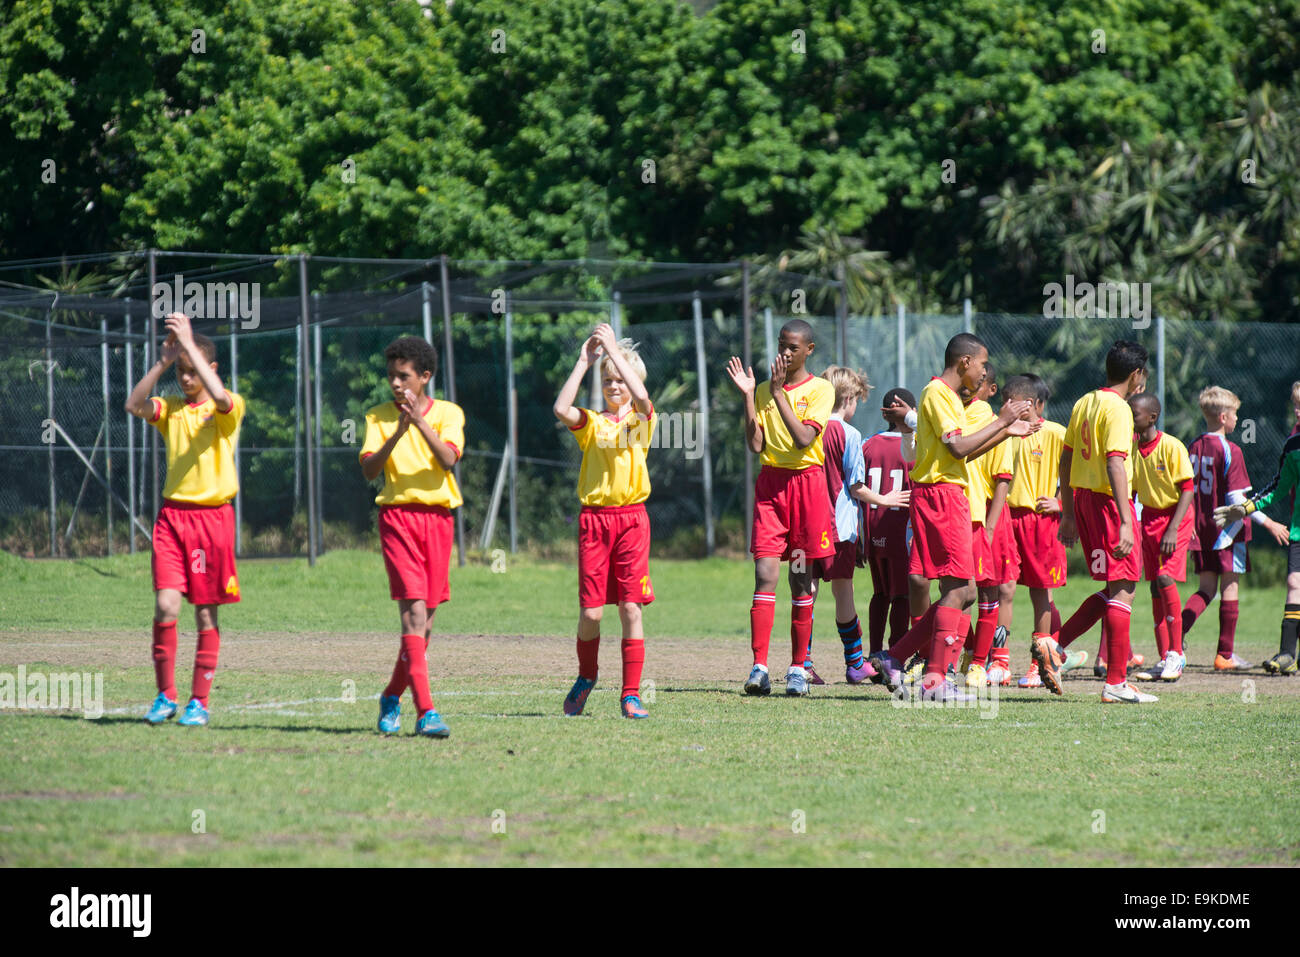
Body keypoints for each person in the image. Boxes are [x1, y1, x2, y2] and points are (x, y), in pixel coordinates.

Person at [868, 333, 1035, 701]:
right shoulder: (939, 394)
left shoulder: (946, 397)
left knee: (964, 591)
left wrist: (1006, 430)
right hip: (942, 498)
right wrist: (1002, 420)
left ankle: (895, 658)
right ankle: (934, 679)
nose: (983, 372)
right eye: (980, 364)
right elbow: (957, 446)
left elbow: (962, 455)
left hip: (947, 495)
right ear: (964, 362)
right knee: (959, 589)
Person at [126, 312, 245, 728]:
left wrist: (191, 345)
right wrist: (162, 362)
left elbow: (224, 400)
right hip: (173, 519)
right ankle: (165, 696)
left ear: (210, 370)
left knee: (207, 615)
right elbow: (133, 404)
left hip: (213, 521)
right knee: (165, 606)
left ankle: (199, 701)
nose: (185, 379)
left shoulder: (228, 406)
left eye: (193, 372)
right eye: (181, 372)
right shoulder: (172, 409)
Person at [1032, 341, 1153, 703]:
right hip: (1106, 503)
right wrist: (1126, 521)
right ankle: (1115, 683)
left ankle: (1055, 646)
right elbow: (1116, 463)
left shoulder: (1085, 401)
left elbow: (1066, 459)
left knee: (1113, 588)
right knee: (1125, 587)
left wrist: (1069, 512)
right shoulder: (1118, 409)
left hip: (1084, 500)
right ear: (1136, 375)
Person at [361, 336, 464, 738]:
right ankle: (426, 712)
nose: (396, 384)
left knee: (426, 626)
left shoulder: (449, 413)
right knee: (413, 615)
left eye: (404, 376)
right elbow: (370, 471)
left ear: (425, 376)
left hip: (438, 522)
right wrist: (396, 432)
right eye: (391, 377)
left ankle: (391, 695)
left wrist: (418, 423)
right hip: (398, 519)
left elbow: (449, 459)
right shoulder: (377, 417)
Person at [727, 320, 835, 697]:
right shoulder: (762, 390)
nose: (785, 353)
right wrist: (748, 396)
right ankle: (759, 667)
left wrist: (777, 393)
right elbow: (756, 444)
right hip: (772, 487)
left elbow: (804, 438)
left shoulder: (821, 390)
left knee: (801, 578)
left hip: (806, 488)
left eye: (793, 347)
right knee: (765, 573)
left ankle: (796, 669)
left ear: (809, 350)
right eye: (781, 345)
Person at [553, 324, 656, 719]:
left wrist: (614, 350)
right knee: (592, 613)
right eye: (608, 380)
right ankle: (586, 676)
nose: (614, 385)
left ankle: (631, 694)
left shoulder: (642, 422)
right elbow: (562, 409)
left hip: (631, 521)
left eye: (619, 379)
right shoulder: (593, 424)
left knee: (631, 608)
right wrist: (585, 362)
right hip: (594, 523)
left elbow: (643, 397)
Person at [810, 366, 909, 684]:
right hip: (839, 526)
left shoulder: (810, 428)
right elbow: (855, 486)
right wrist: (886, 500)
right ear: (849, 398)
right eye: (856, 401)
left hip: (809, 522)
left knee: (806, 594)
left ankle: (802, 662)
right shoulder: (849, 435)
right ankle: (855, 664)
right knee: (844, 594)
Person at [1182, 387, 1289, 670]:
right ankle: (1225, 655)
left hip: (1201, 529)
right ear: (1222, 416)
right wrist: (1269, 522)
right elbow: (1236, 501)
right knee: (1229, 588)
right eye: (1235, 415)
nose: (1238, 420)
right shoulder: (1231, 450)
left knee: (1205, 589)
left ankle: (1174, 637)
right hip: (1228, 532)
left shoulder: (1193, 446)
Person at [1215, 431, 1300, 674]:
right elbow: (1278, 486)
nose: (1298, 412)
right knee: (1295, 584)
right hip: (1299, 532)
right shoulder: (1293, 445)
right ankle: (1286, 654)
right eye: (1296, 406)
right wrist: (1246, 507)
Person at [1127, 393, 1195, 682]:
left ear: (1152, 417)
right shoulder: (1131, 448)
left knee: (1166, 577)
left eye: (1135, 414)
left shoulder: (1171, 446)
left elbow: (1188, 489)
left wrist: (1172, 527)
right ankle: (1164, 655)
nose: (1131, 418)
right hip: (1149, 518)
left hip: (1175, 518)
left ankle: (1176, 654)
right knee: (1155, 587)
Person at [861, 388, 917, 655]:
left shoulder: (868, 445)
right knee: (902, 595)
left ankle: (873, 653)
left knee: (880, 593)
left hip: (873, 529)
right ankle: (895, 654)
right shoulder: (913, 447)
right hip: (900, 532)